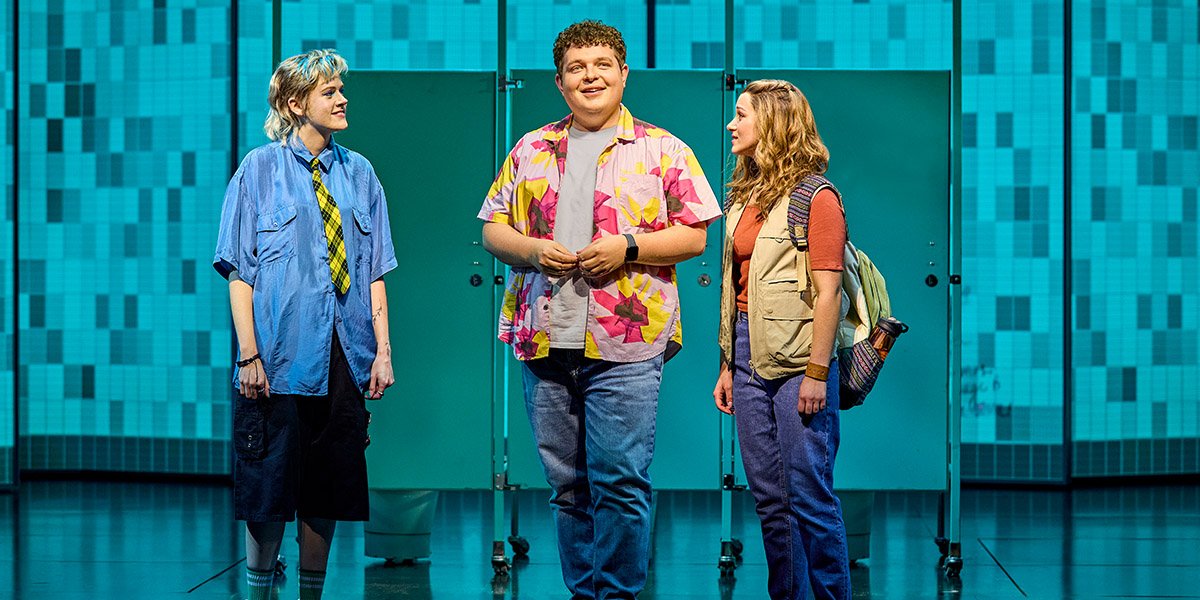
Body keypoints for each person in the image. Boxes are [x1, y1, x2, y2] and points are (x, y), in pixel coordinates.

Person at [478, 20, 721, 599]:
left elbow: (695, 236)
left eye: (602, 65)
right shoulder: (531, 147)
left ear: (623, 74)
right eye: (577, 69)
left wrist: (629, 246)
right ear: (560, 83)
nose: (591, 76)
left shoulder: (663, 147)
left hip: (627, 343)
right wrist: (534, 249)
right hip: (544, 336)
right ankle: (583, 593)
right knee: (566, 485)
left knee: (620, 481)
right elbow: (492, 229)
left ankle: (617, 594)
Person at [213, 49, 397, 600]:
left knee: (330, 484)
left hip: (346, 351)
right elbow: (239, 272)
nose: (342, 100)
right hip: (278, 353)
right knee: (267, 486)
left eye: (342, 90)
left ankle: (312, 594)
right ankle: (260, 588)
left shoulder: (359, 172)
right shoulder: (258, 170)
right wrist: (248, 355)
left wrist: (383, 350)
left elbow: (375, 271)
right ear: (296, 103)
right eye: (329, 92)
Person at [712, 79, 852, 600]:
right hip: (748, 354)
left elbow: (828, 292)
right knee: (770, 498)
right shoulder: (746, 194)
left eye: (742, 115)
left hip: (799, 359)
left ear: (772, 124)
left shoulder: (815, 197)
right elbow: (737, 289)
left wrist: (817, 373)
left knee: (809, 494)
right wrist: (729, 363)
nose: (732, 124)